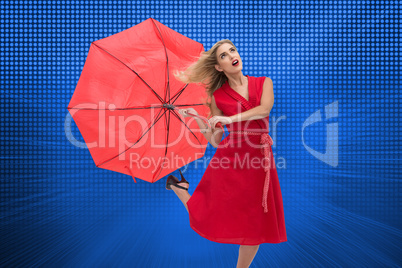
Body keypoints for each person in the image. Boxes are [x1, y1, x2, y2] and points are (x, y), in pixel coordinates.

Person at [166, 39, 287, 268]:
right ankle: (181, 191)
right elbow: (215, 140)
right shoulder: (217, 97)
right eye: (223, 55)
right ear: (219, 67)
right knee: (207, 212)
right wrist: (197, 120)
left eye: (232, 50)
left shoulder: (264, 82)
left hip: (260, 158)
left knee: (257, 223)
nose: (232, 54)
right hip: (232, 158)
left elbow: (264, 109)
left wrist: (229, 119)